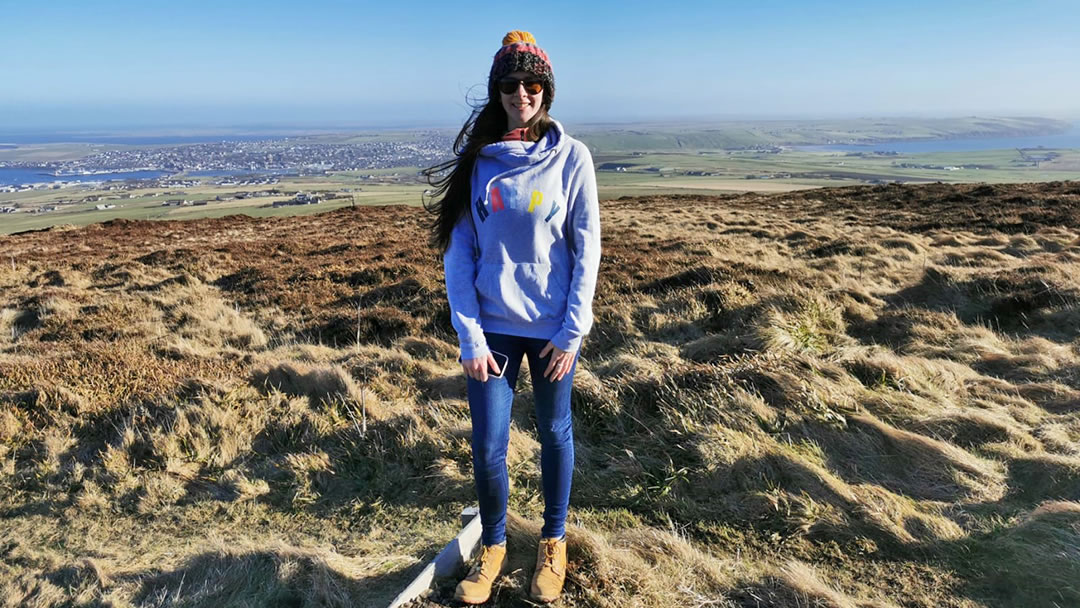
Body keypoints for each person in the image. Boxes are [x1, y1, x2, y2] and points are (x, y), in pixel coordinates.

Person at [422, 30, 601, 605]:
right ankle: (494, 546)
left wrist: (573, 331)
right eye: (509, 84)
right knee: (489, 445)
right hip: (492, 333)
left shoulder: (572, 158)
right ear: (498, 93)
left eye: (531, 83)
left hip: (552, 333)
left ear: (545, 91)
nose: (521, 92)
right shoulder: (480, 164)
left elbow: (587, 248)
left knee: (554, 434)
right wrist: (468, 336)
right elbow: (460, 254)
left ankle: (553, 541)